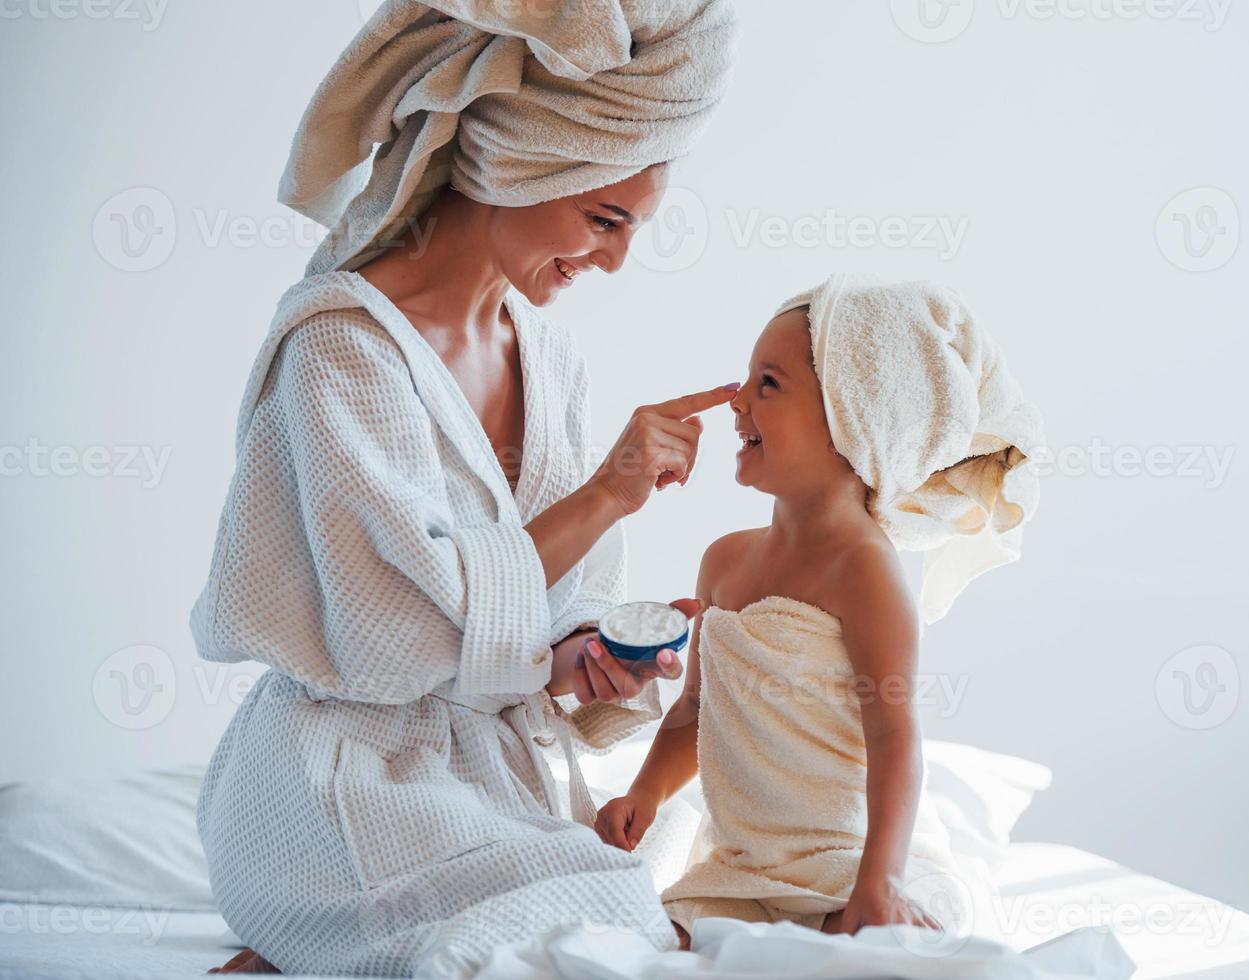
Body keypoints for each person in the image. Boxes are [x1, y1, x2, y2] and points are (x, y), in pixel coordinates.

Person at [196, 0, 739, 974]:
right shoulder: (339, 346)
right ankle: (309, 927)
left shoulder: (548, 353)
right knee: (591, 920)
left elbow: (528, 621)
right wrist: (609, 490)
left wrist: (585, 659)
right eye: (603, 218)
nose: (613, 258)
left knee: (673, 879)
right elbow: (391, 638)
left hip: (493, 772)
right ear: (524, 163)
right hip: (342, 771)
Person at [594, 275, 1043, 946]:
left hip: (851, 864)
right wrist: (647, 794)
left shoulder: (864, 571)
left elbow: (894, 737)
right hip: (743, 868)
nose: (738, 401)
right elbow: (695, 712)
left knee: (853, 951)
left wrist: (879, 881)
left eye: (767, 385)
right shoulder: (724, 561)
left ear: (853, 418)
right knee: (653, 940)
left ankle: (887, 903)